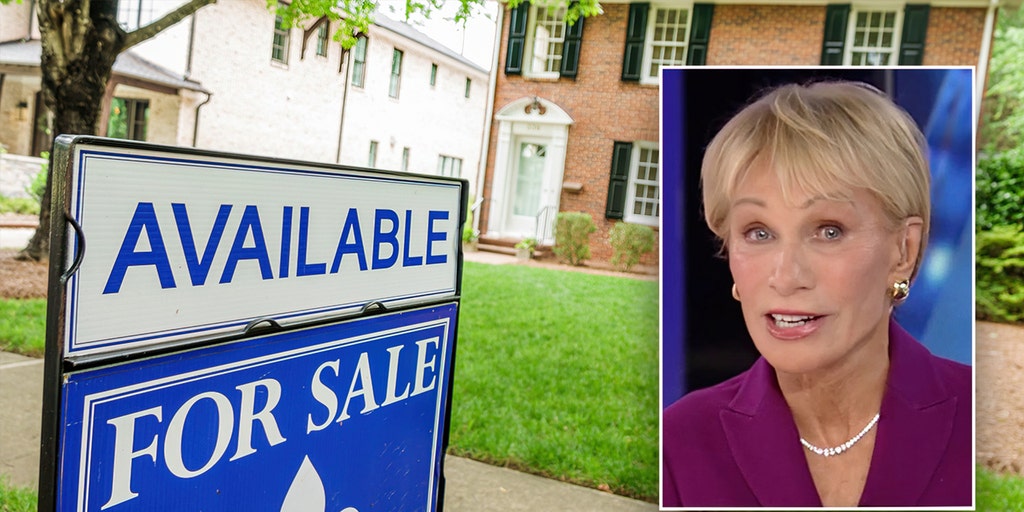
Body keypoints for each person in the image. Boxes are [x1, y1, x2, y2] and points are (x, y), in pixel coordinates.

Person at [661, 81, 972, 507]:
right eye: (759, 232)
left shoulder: (979, 422)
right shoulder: (679, 441)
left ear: (904, 250)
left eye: (829, 231)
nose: (786, 276)